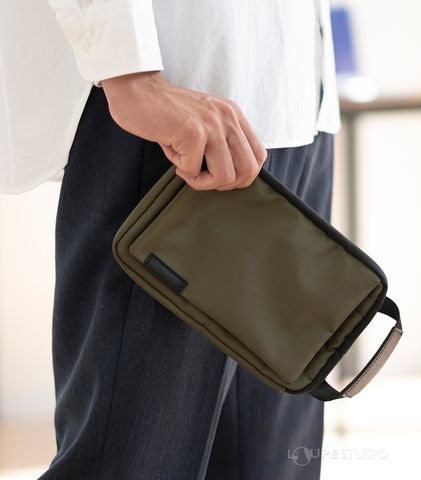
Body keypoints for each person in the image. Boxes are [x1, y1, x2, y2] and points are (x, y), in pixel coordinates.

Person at [1, 0, 341, 478]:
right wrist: (130, 74)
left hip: (296, 99)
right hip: (178, 112)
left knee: (270, 463)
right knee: (129, 463)